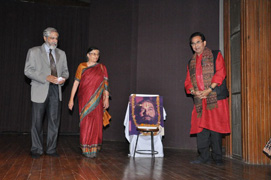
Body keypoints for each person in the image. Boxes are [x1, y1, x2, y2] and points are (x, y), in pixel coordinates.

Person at [184, 32, 230, 165]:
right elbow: (188, 82)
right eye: (193, 43)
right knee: (201, 128)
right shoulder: (191, 62)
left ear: (204, 43)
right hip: (200, 99)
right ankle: (203, 156)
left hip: (215, 97)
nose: (196, 45)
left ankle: (217, 157)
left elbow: (221, 73)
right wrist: (194, 91)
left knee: (215, 128)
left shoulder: (216, 55)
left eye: (198, 42)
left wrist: (209, 90)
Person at [24, 27, 69, 159]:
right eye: (52, 38)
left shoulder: (62, 53)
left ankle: (51, 149)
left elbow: (66, 71)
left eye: (56, 38)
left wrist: (63, 79)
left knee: (54, 121)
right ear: (45, 38)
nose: (55, 41)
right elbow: (28, 71)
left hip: (56, 90)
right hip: (40, 89)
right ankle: (36, 149)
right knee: (37, 121)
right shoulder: (34, 51)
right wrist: (45, 77)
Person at [68, 47, 109, 158]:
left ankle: (94, 147)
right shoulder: (82, 66)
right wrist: (71, 99)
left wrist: (106, 98)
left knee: (96, 122)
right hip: (84, 98)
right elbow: (76, 83)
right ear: (88, 55)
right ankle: (85, 147)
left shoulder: (102, 67)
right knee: (85, 121)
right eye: (93, 54)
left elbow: (105, 85)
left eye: (97, 54)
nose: (96, 56)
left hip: (98, 100)